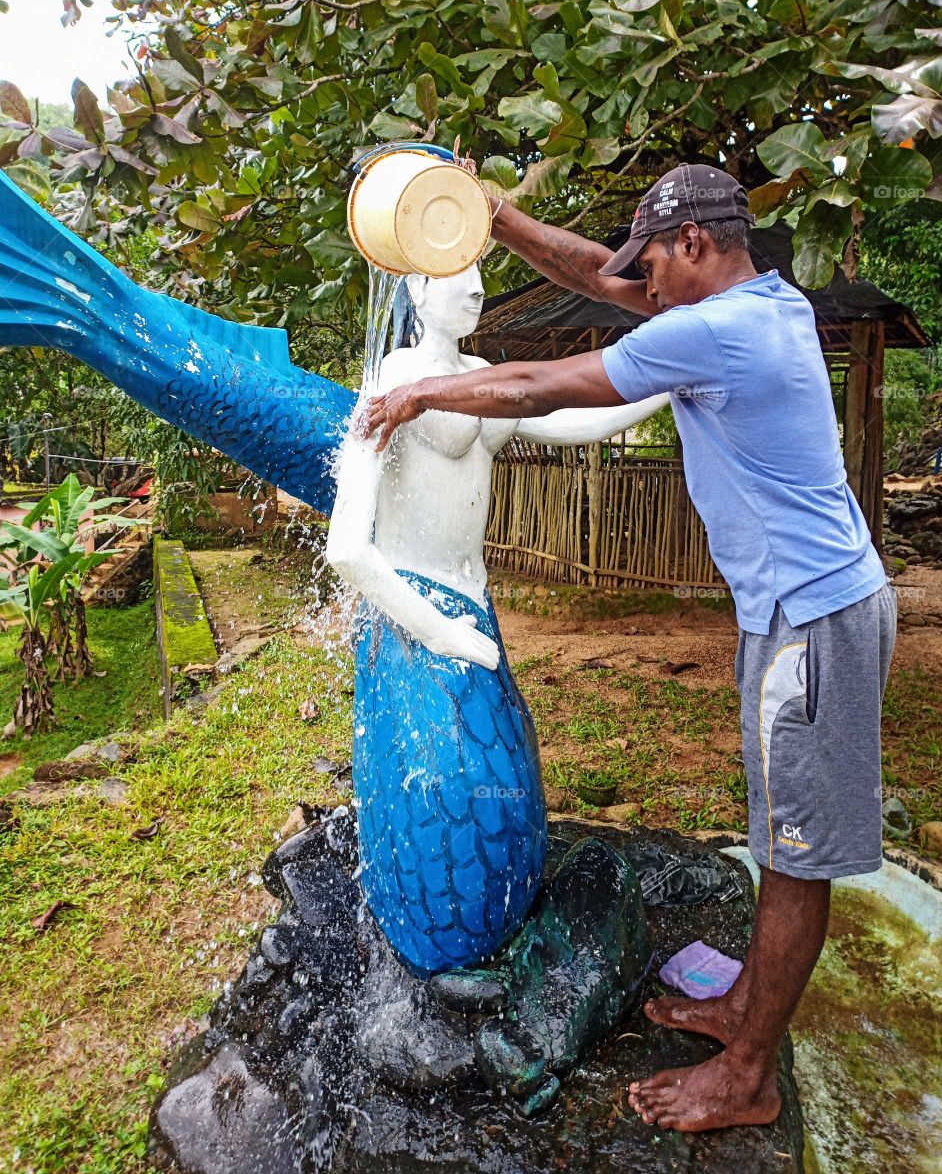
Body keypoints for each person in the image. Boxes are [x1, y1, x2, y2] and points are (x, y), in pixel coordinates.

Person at [360, 162, 898, 1132]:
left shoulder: (717, 332)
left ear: (692, 244)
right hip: (794, 611)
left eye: (652, 260)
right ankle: (744, 1007)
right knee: (783, 832)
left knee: (796, 855)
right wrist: (504, 218)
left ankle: (747, 1073)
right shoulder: (756, 299)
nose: (637, 282)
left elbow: (531, 385)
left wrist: (421, 391)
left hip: (815, 624)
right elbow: (599, 279)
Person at [326, 264, 666, 976]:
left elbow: (568, 418)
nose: (477, 288)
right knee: (444, 786)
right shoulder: (390, 379)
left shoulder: (483, 374)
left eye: (482, 273)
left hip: (474, 606)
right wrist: (438, 631)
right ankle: (433, 945)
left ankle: (488, 932)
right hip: (419, 614)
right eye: (457, 276)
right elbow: (347, 547)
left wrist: (663, 381)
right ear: (415, 292)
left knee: (502, 780)